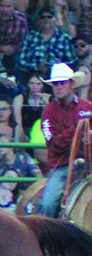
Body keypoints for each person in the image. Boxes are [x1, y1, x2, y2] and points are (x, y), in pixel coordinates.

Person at [38, 63, 92, 217]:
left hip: (89, 164)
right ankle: (46, 234)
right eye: (55, 83)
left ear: (71, 84)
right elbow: (54, 144)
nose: (59, 87)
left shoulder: (89, 108)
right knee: (48, 204)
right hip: (63, 167)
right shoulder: (48, 113)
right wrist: (77, 129)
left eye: (62, 83)